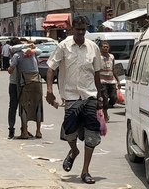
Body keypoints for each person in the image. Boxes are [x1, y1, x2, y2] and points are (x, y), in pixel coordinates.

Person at [46, 17, 103, 185]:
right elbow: (50, 68)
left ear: (86, 29)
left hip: (89, 96)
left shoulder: (93, 48)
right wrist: (49, 90)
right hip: (71, 97)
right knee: (69, 133)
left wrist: (100, 99)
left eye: (83, 30)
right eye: (77, 29)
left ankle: (85, 171)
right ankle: (74, 151)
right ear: (72, 30)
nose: (80, 33)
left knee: (92, 134)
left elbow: (97, 74)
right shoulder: (63, 46)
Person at [9, 42, 43, 140]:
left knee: (24, 106)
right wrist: (30, 47)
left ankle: (24, 132)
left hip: (25, 82)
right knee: (38, 106)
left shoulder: (17, 55)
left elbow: (11, 69)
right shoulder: (33, 53)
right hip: (37, 80)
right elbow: (39, 50)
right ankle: (38, 131)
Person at [99, 41, 121, 122]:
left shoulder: (111, 57)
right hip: (102, 81)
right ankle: (105, 112)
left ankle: (104, 107)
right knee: (104, 98)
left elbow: (113, 69)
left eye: (107, 47)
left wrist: (118, 81)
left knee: (114, 98)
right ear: (101, 48)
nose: (105, 48)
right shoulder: (98, 57)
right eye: (104, 47)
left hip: (111, 81)